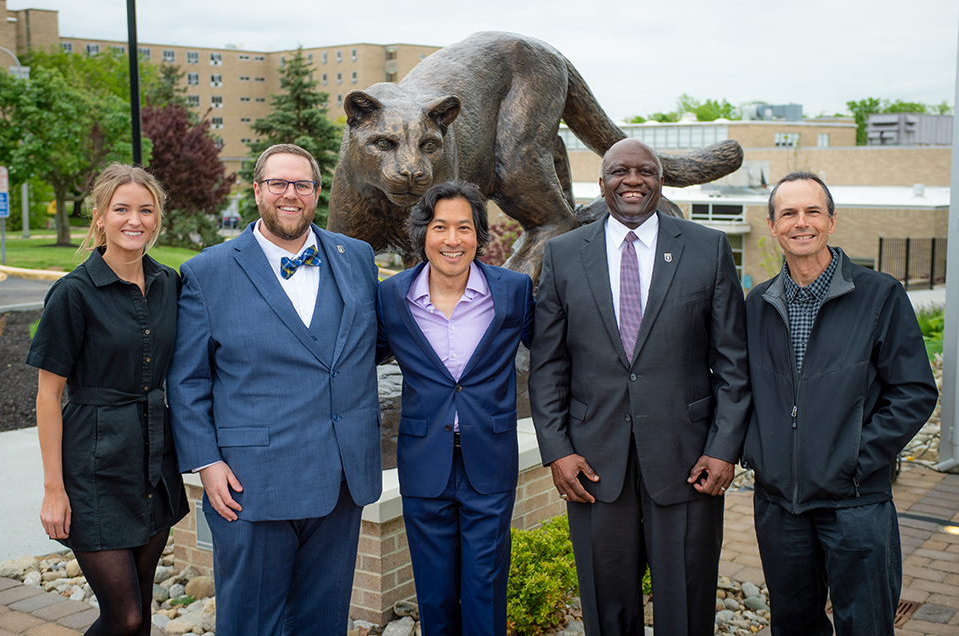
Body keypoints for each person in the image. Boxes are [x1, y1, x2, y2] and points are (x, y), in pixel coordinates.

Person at [529, 138, 751, 636]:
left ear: (661, 180)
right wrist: (557, 451)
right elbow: (548, 365)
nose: (633, 180)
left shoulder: (706, 248)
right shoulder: (563, 255)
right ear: (601, 183)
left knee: (688, 606)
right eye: (619, 172)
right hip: (592, 465)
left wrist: (723, 450)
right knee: (608, 610)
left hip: (688, 460)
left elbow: (733, 364)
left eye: (645, 171)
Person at [167, 143, 381, 635]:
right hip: (251, 484)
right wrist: (206, 462)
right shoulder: (207, 272)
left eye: (302, 184)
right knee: (251, 624)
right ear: (258, 190)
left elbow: (375, 344)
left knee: (323, 623)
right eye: (278, 183)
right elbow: (188, 380)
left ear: (317, 192)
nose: (291, 194)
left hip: (342, 479)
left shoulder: (356, 258)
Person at [742, 171, 938, 636]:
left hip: (855, 504)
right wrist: (758, 454)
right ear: (772, 226)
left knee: (866, 624)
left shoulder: (879, 294)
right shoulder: (757, 303)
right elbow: (741, 388)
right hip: (780, 505)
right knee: (792, 624)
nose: (801, 222)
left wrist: (855, 459)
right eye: (788, 213)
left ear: (831, 221)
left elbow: (914, 392)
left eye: (813, 211)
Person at [27, 163, 188, 636]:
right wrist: (54, 489)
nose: (134, 220)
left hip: (155, 461)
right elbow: (47, 395)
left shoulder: (169, 284)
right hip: (93, 467)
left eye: (145, 209)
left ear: (157, 218)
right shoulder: (73, 294)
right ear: (100, 217)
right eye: (121, 209)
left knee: (143, 607)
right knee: (126, 615)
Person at [377, 181, 534, 635]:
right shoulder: (393, 297)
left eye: (464, 227)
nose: (452, 239)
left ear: (479, 236)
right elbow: (358, 359)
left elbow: (554, 355)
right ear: (423, 233)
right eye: (440, 227)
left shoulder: (514, 291)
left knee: (485, 585)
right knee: (434, 591)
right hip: (424, 461)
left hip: (490, 457)